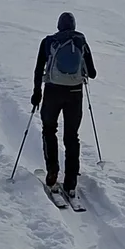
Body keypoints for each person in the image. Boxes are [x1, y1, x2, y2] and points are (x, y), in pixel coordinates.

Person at [30, 12, 97, 197]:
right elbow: (92, 73)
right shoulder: (81, 41)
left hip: (52, 92)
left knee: (49, 130)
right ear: (73, 26)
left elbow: (38, 70)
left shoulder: (48, 42)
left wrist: (37, 93)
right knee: (72, 136)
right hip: (75, 93)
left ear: (58, 26)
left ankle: (52, 171)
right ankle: (71, 182)